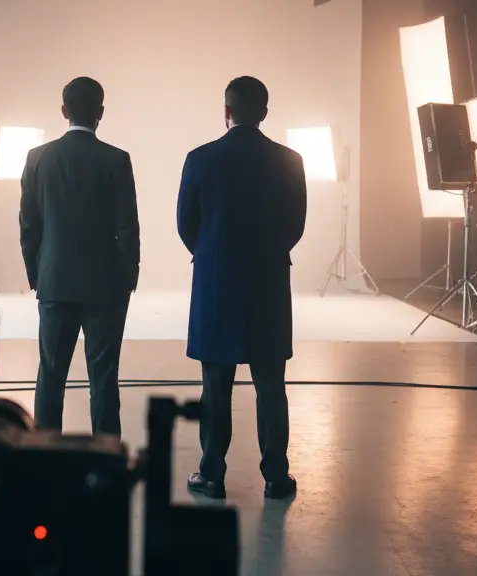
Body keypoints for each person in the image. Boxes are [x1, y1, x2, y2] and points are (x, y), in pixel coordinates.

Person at [176, 76, 307, 499]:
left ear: (226, 111)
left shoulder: (200, 158)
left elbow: (186, 224)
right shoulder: (289, 160)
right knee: (271, 385)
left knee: (215, 387)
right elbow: (295, 225)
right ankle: (276, 477)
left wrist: (211, 253)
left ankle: (212, 474)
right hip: (268, 285)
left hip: (216, 286)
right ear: (264, 112)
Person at [19, 77, 141, 437]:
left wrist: (37, 274)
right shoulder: (116, 160)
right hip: (105, 288)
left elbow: (28, 225)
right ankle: (105, 458)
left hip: (54, 282)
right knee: (103, 380)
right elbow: (127, 228)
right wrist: (127, 279)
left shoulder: (37, 158)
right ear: (100, 113)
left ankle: (43, 459)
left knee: (51, 377)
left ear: (63, 111)